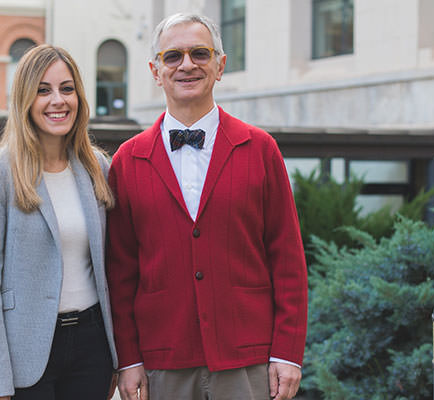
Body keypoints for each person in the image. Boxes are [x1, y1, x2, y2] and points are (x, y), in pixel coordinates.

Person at [106, 13, 308, 400]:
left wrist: (287, 352)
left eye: (200, 53)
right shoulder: (127, 161)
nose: (187, 65)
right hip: (162, 361)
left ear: (220, 65)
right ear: (154, 70)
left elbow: (287, 259)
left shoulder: (260, 149)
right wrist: (128, 360)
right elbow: (121, 272)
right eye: (172, 56)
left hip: (247, 360)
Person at [0, 44, 118, 400]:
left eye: (67, 89)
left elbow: (113, 268)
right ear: (25, 100)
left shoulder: (98, 168)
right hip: (26, 354)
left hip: (92, 347)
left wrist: (118, 356)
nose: (58, 100)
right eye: (43, 90)